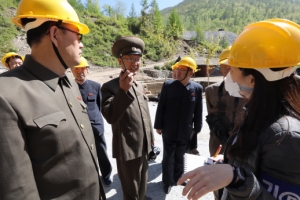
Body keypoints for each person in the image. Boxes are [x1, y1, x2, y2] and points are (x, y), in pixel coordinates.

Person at [178, 18, 300, 200]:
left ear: (252, 80)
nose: (229, 79)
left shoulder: (285, 136)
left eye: (232, 71)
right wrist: (230, 162)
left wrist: (236, 178)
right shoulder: (258, 113)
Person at [0, 0, 106, 199]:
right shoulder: (6, 94)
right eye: (78, 35)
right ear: (55, 34)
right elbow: (17, 192)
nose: (81, 44)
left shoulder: (68, 81)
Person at [101, 36, 154, 200]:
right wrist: (123, 91)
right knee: (131, 192)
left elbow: (145, 116)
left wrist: (151, 138)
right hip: (128, 149)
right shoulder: (110, 87)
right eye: (130, 58)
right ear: (120, 61)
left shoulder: (139, 86)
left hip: (144, 146)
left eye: (138, 59)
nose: (135, 62)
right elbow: (110, 116)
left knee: (143, 185)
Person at [154, 56, 203, 194]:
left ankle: (178, 178)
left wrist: (197, 128)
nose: (178, 72)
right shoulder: (169, 85)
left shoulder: (197, 88)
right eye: (177, 69)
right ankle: (166, 181)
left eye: (182, 69)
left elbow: (198, 110)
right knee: (168, 157)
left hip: (186, 130)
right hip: (169, 129)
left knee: (181, 156)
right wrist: (158, 125)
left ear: (191, 73)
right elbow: (161, 106)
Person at [205, 46, 247, 200]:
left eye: (232, 65)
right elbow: (211, 119)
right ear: (220, 66)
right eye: (225, 64)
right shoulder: (211, 91)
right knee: (217, 184)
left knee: (240, 183)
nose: (228, 68)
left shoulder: (251, 93)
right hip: (217, 146)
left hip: (243, 147)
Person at [71, 56, 113, 187]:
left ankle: (106, 175)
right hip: (77, 127)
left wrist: (96, 120)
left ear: (87, 70)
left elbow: (99, 106)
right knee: (81, 153)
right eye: (77, 69)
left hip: (95, 125)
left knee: (101, 150)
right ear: (72, 70)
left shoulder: (95, 86)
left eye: (83, 69)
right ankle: (88, 177)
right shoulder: (69, 88)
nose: (80, 72)